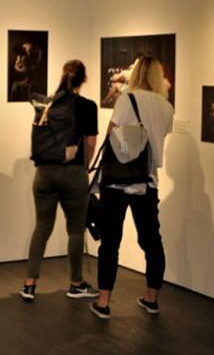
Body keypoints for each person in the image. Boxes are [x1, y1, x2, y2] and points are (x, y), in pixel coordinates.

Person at [91, 55, 174, 320]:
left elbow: (111, 135)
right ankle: (152, 298)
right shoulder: (165, 106)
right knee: (152, 240)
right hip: (148, 181)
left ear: (136, 74)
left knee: (110, 241)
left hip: (118, 181)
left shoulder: (127, 99)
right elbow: (159, 139)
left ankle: (104, 302)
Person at [21, 60, 99, 301]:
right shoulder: (87, 106)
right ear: (83, 79)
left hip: (43, 173)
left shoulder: (48, 103)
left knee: (42, 227)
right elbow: (90, 143)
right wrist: (84, 170)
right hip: (72, 173)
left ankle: (29, 284)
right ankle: (76, 284)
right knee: (75, 230)